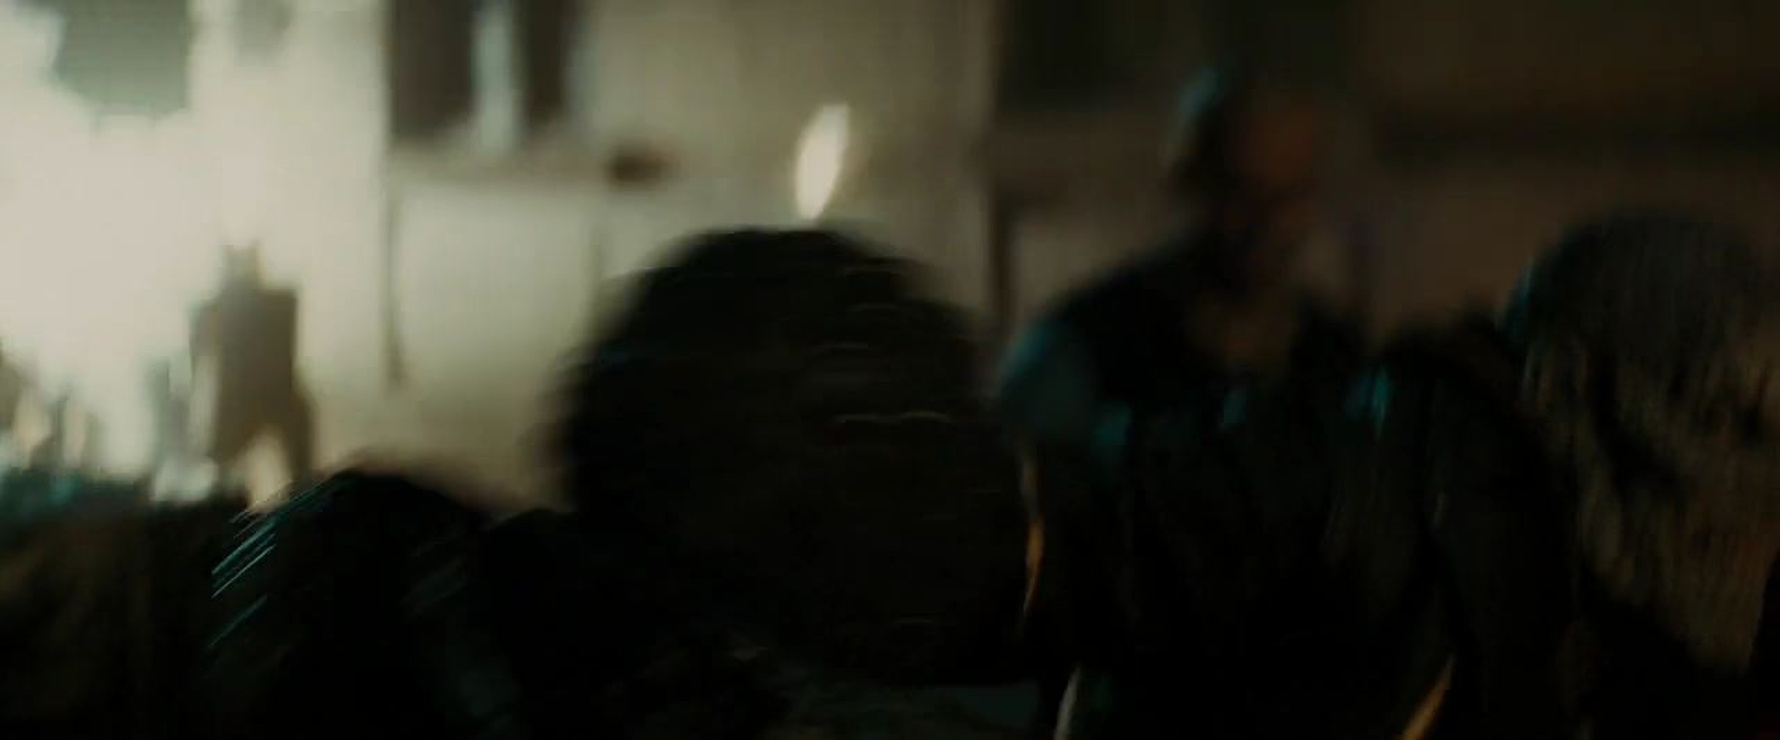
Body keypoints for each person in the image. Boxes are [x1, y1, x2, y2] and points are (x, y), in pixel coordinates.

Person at [997, 66, 1364, 450]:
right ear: (1191, 186)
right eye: (1241, 194)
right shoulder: (1082, 353)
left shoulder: (1335, 357)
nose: (1269, 223)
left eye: (1291, 196)